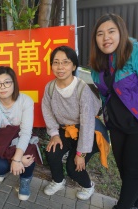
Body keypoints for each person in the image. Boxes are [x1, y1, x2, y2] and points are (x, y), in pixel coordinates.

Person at [90, 13, 138, 209]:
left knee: (133, 172)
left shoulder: (137, 54)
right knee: (124, 170)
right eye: (100, 34)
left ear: (121, 33)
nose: (105, 37)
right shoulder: (97, 65)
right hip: (116, 125)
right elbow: (105, 95)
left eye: (111, 31)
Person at [41, 46, 101, 200]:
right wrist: (54, 134)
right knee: (52, 153)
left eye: (65, 62)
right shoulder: (50, 87)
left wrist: (81, 153)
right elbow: (46, 110)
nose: (60, 67)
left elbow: (88, 122)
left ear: (74, 66)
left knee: (74, 167)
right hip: (66, 129)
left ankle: (88, 186)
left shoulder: (81, 89)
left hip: (89, 132)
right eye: (56, 62)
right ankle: (58, 181)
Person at [0, 66, 41, 201]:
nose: (3, 87)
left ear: (14, 83)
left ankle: (25, 179)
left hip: (19, 140)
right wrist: (16, 159)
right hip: (1, 143)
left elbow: (25, 132)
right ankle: (9, 168)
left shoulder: (25, 101)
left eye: (7, 82)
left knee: (29, 154)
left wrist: (19, 159)